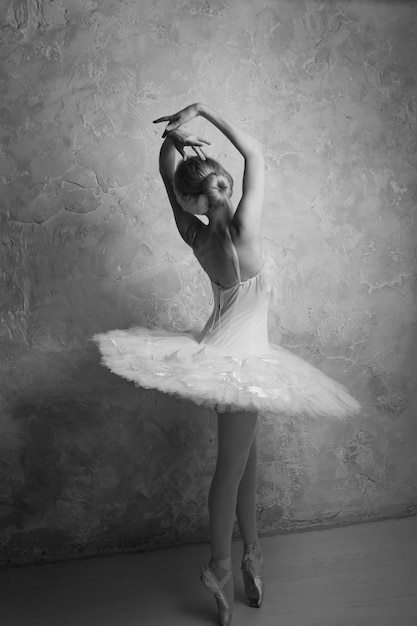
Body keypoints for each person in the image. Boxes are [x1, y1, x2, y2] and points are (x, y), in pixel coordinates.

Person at [93, 103, 360, 626]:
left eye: (211, 188)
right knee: (231, 470)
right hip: (241, 365)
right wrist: (205, 114)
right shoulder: (246, 231)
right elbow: (254, 152)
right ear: (214, 192)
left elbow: (167, 177)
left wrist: (171, 139)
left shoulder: (193, 235)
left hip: (224, 355)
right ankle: (218, 565)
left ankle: (252, 554)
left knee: (246, 467)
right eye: (216, 187)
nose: (218, 192)